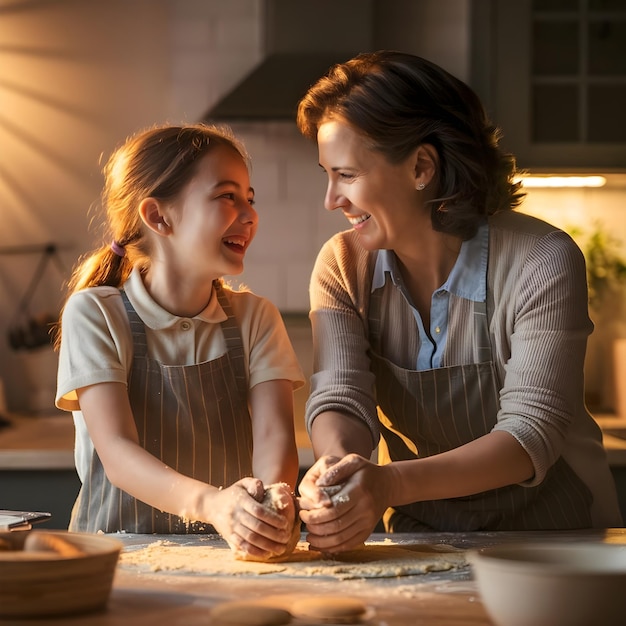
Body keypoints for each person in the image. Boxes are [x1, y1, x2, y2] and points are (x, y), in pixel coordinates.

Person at [295, 50, 623, 553]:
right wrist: (337, 472)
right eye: (328, 174)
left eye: (347, 175)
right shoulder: (342, 265)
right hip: (420, 535)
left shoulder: (541, 260)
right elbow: (341, 396)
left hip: (558, 538)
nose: (331, 199)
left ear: (421, 166)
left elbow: (530, 432)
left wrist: (388, 483)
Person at [54, 123, 304, 561]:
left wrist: (270, 510)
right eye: (228, 196)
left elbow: (273, 437)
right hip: (114, 557)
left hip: (226, 556)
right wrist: (215, 505)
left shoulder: (256, 317)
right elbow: (117, 452)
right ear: (158, 216)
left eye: (250, 198)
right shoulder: (95, 314)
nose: (249, 214)